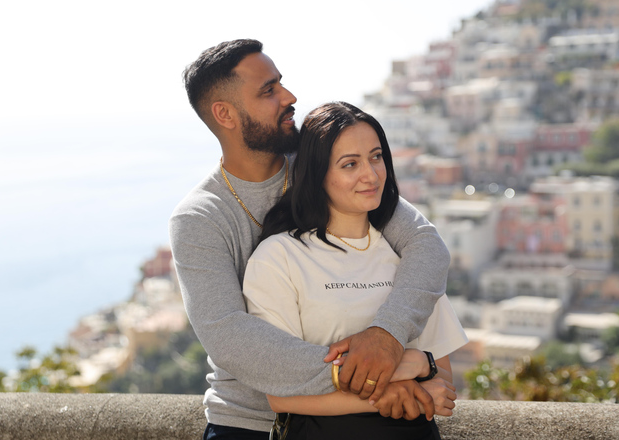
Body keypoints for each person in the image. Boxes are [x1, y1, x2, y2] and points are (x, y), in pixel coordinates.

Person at [169, 39, 451, 439]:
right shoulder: (200, 217)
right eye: (269, 90)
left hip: (348, 423)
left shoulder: (324, 169)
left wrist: (386, 336)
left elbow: (425, 245)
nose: (289, 96)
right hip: (246, 426)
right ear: (224, 114)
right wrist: (375, 375)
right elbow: (231, 338)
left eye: (280, 83)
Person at [242, 102, 468, 439]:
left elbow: (444, 383)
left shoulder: (409, 260)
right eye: (350, 164)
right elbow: (280, 392)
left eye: (376, 157)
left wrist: (420, 362)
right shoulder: (280, 257)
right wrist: (392, 385)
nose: (371, 174)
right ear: (318, 176)